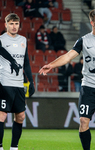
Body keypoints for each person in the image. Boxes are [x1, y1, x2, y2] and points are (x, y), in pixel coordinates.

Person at [39, 9, 95, 150]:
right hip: (89, 88)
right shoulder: (84, 40)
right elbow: (68, 56)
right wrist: (51, 65)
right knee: (83, 121)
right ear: (92, 22)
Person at [0, 13, 35, 150]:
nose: (14, 26)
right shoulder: (1, 39)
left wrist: (31, 82)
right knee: (1, 115)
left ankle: (14, 147)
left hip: (18, 84)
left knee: (20, 116)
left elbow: (26, 62)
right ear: (6, 25)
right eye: (11, 23)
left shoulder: (23, 40)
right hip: (4, 83)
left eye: (16, 23)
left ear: (19, 25)